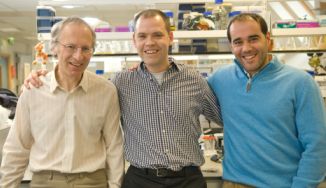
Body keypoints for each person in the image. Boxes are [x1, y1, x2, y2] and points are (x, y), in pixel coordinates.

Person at [24, 9, 222, 188]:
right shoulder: (120, 83)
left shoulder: (194, 80)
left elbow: (226, 119)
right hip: (140, 180)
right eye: (142, 36)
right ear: (134, 40)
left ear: (170, 37)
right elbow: (83, 86)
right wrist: (44, 76)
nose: (150, 42)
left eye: (157, 35)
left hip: (188, 181)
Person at [0, 17, 124, 188]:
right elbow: (17, 148)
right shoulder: (33, 90)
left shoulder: (106, 91)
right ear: (54, 47)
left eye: (86, 48)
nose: (78, 56)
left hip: (92, 182)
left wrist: (115, 185)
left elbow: (114, 147)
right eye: (71, 47)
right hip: (45, 182)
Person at [208, 13, 326, 188]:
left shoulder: (300, 83)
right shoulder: (220, 79)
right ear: (231, 46)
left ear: (268, 39)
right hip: (235, 183)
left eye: (253, 39)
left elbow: (318, 145)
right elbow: (186, 94)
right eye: (238, 42)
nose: (246, 48)